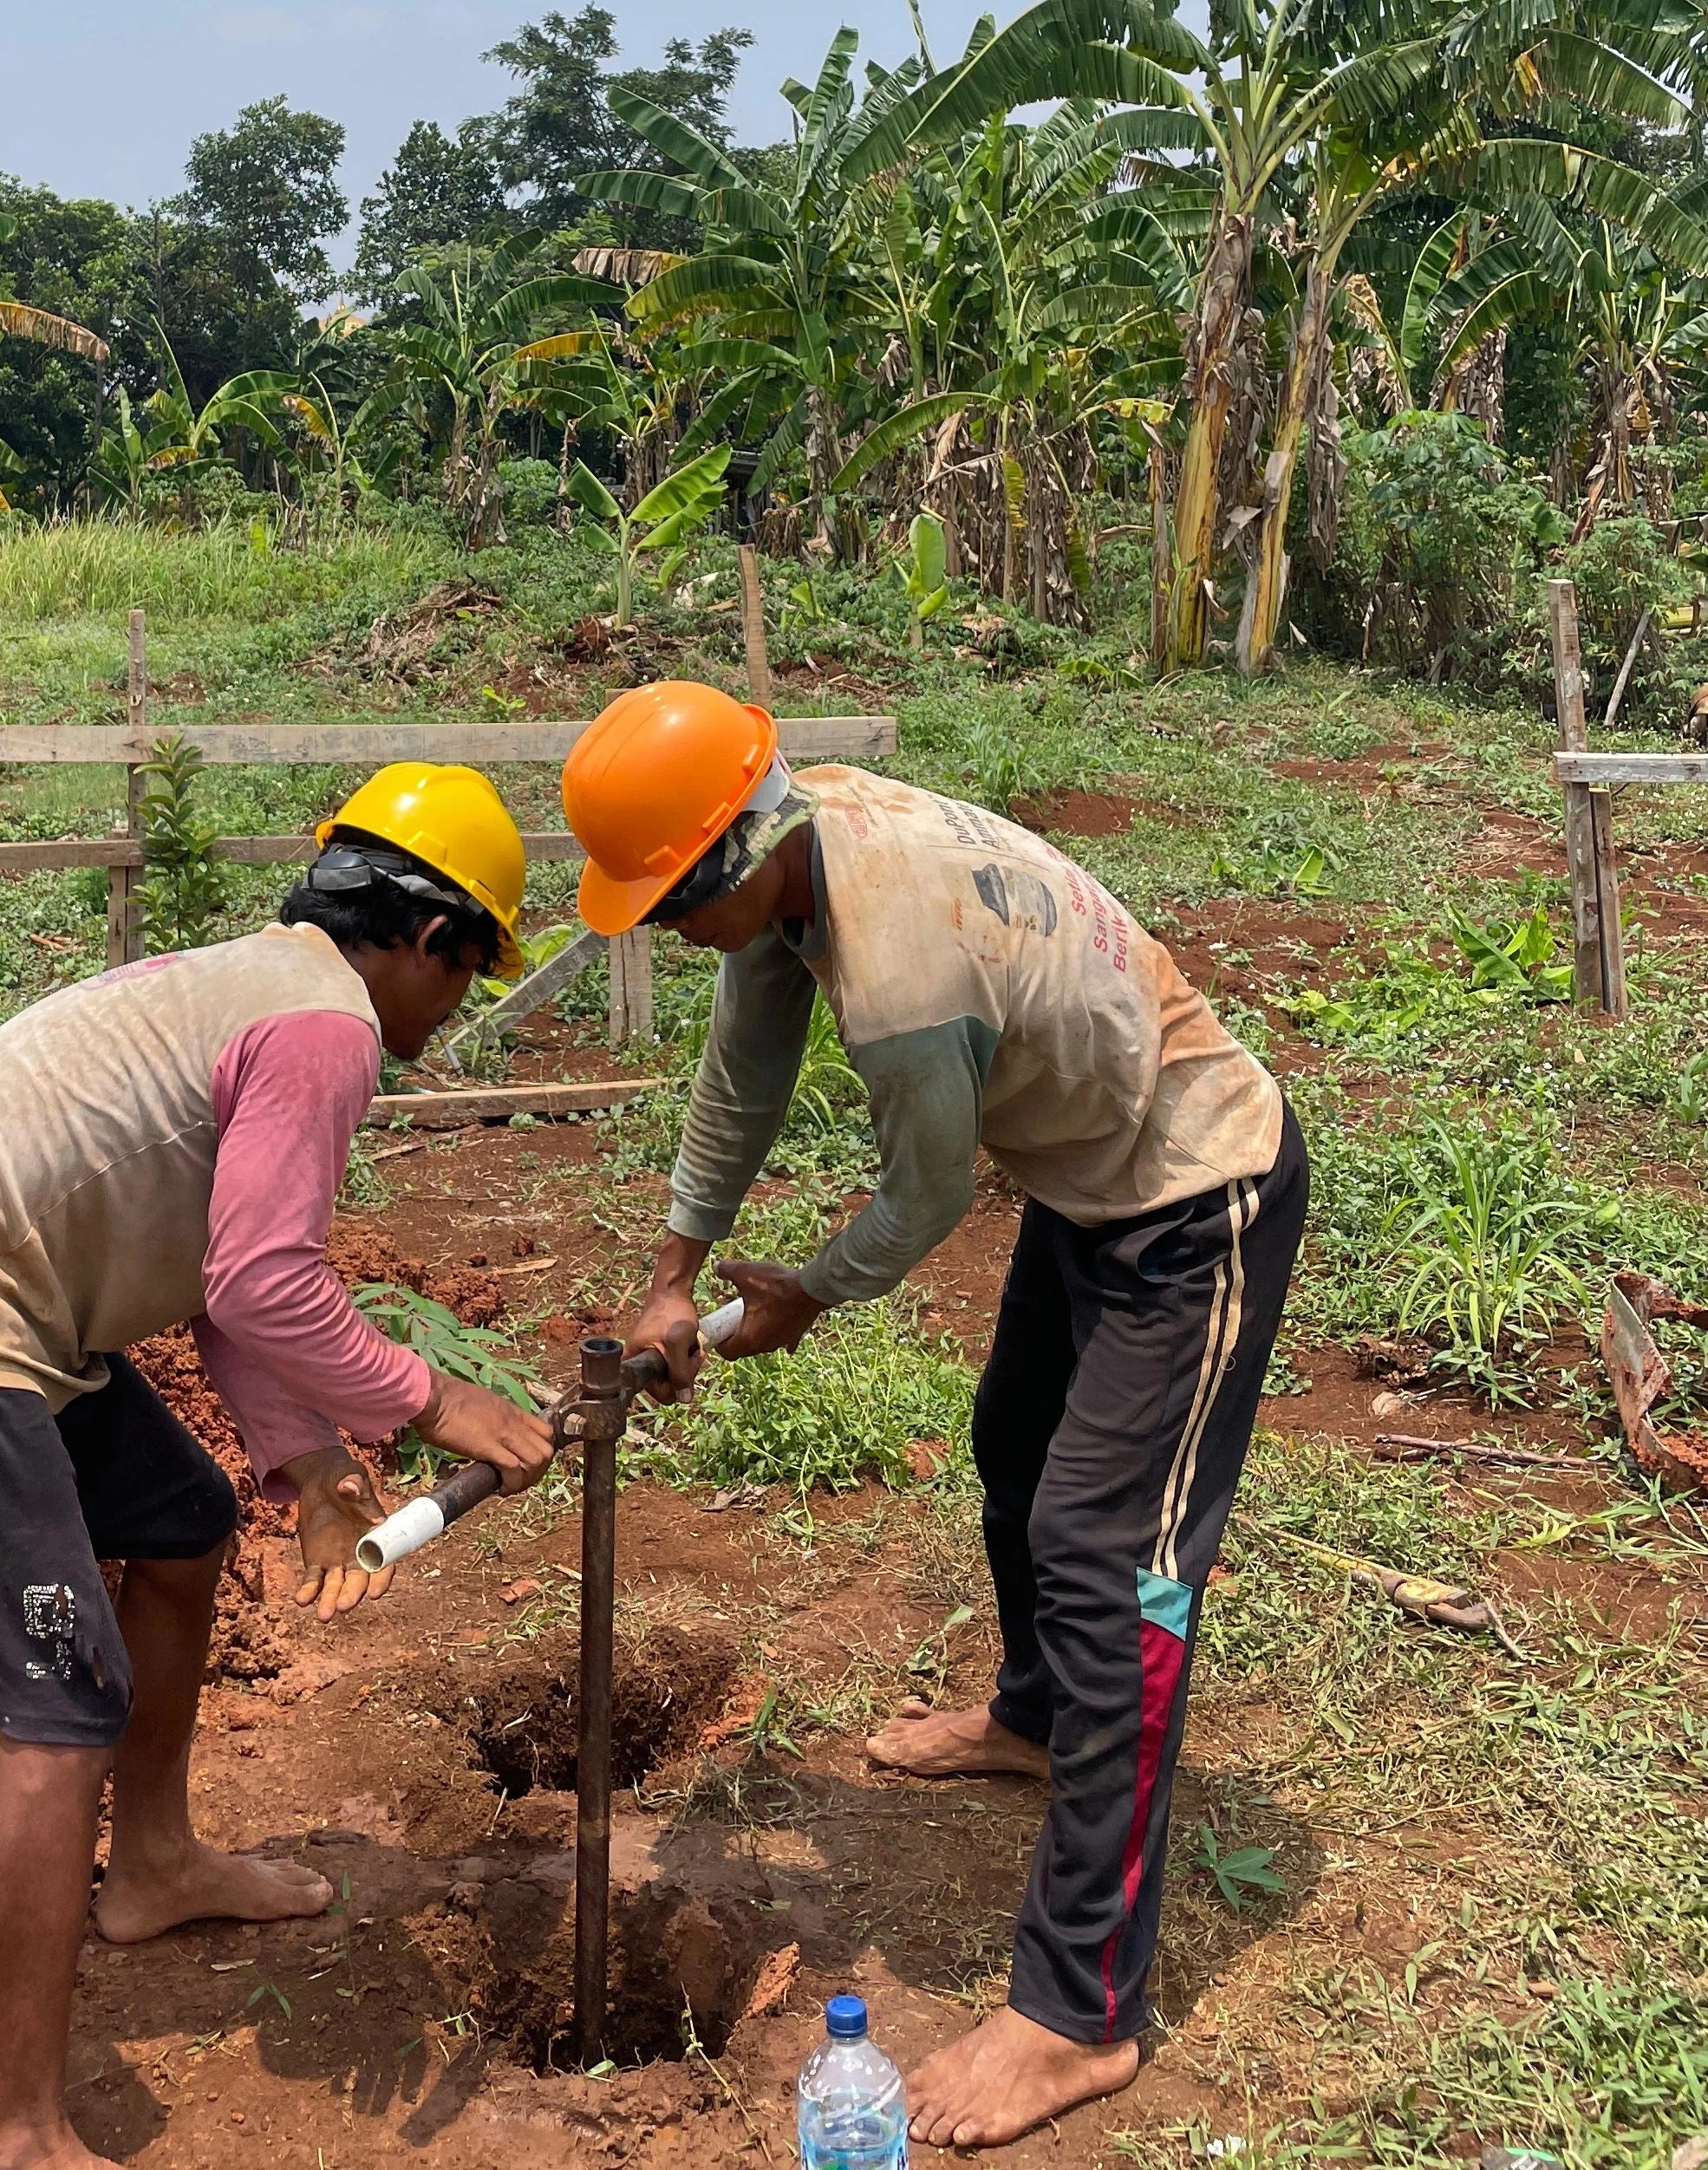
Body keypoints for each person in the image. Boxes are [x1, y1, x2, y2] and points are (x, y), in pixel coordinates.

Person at [562, 683, 1307, 2149]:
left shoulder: (898, 970)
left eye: (659, 901)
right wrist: (673, 1274)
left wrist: (805, 1294)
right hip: (1091, 1175)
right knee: (1013, 1446)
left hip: (1190, 1198)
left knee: (1113, 1567)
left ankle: (1080, 2012)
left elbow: (924, 1196)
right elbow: (744, 1069)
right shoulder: (805, 843)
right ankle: (1036, 1716)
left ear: (730, 856)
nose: (652, 925)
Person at [0, 763, 557, 2170]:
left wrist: (313, 1460)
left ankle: (148, 1866)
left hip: (7, 1311)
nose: (452, 1012)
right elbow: (270, 1281)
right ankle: (16, 2132)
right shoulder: (328, 1027)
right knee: (61, 1698)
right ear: (429, 938)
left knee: (181, 1514)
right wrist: (437, 1398)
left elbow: (224, 1284)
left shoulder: (264, 984)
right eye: (467, 973)